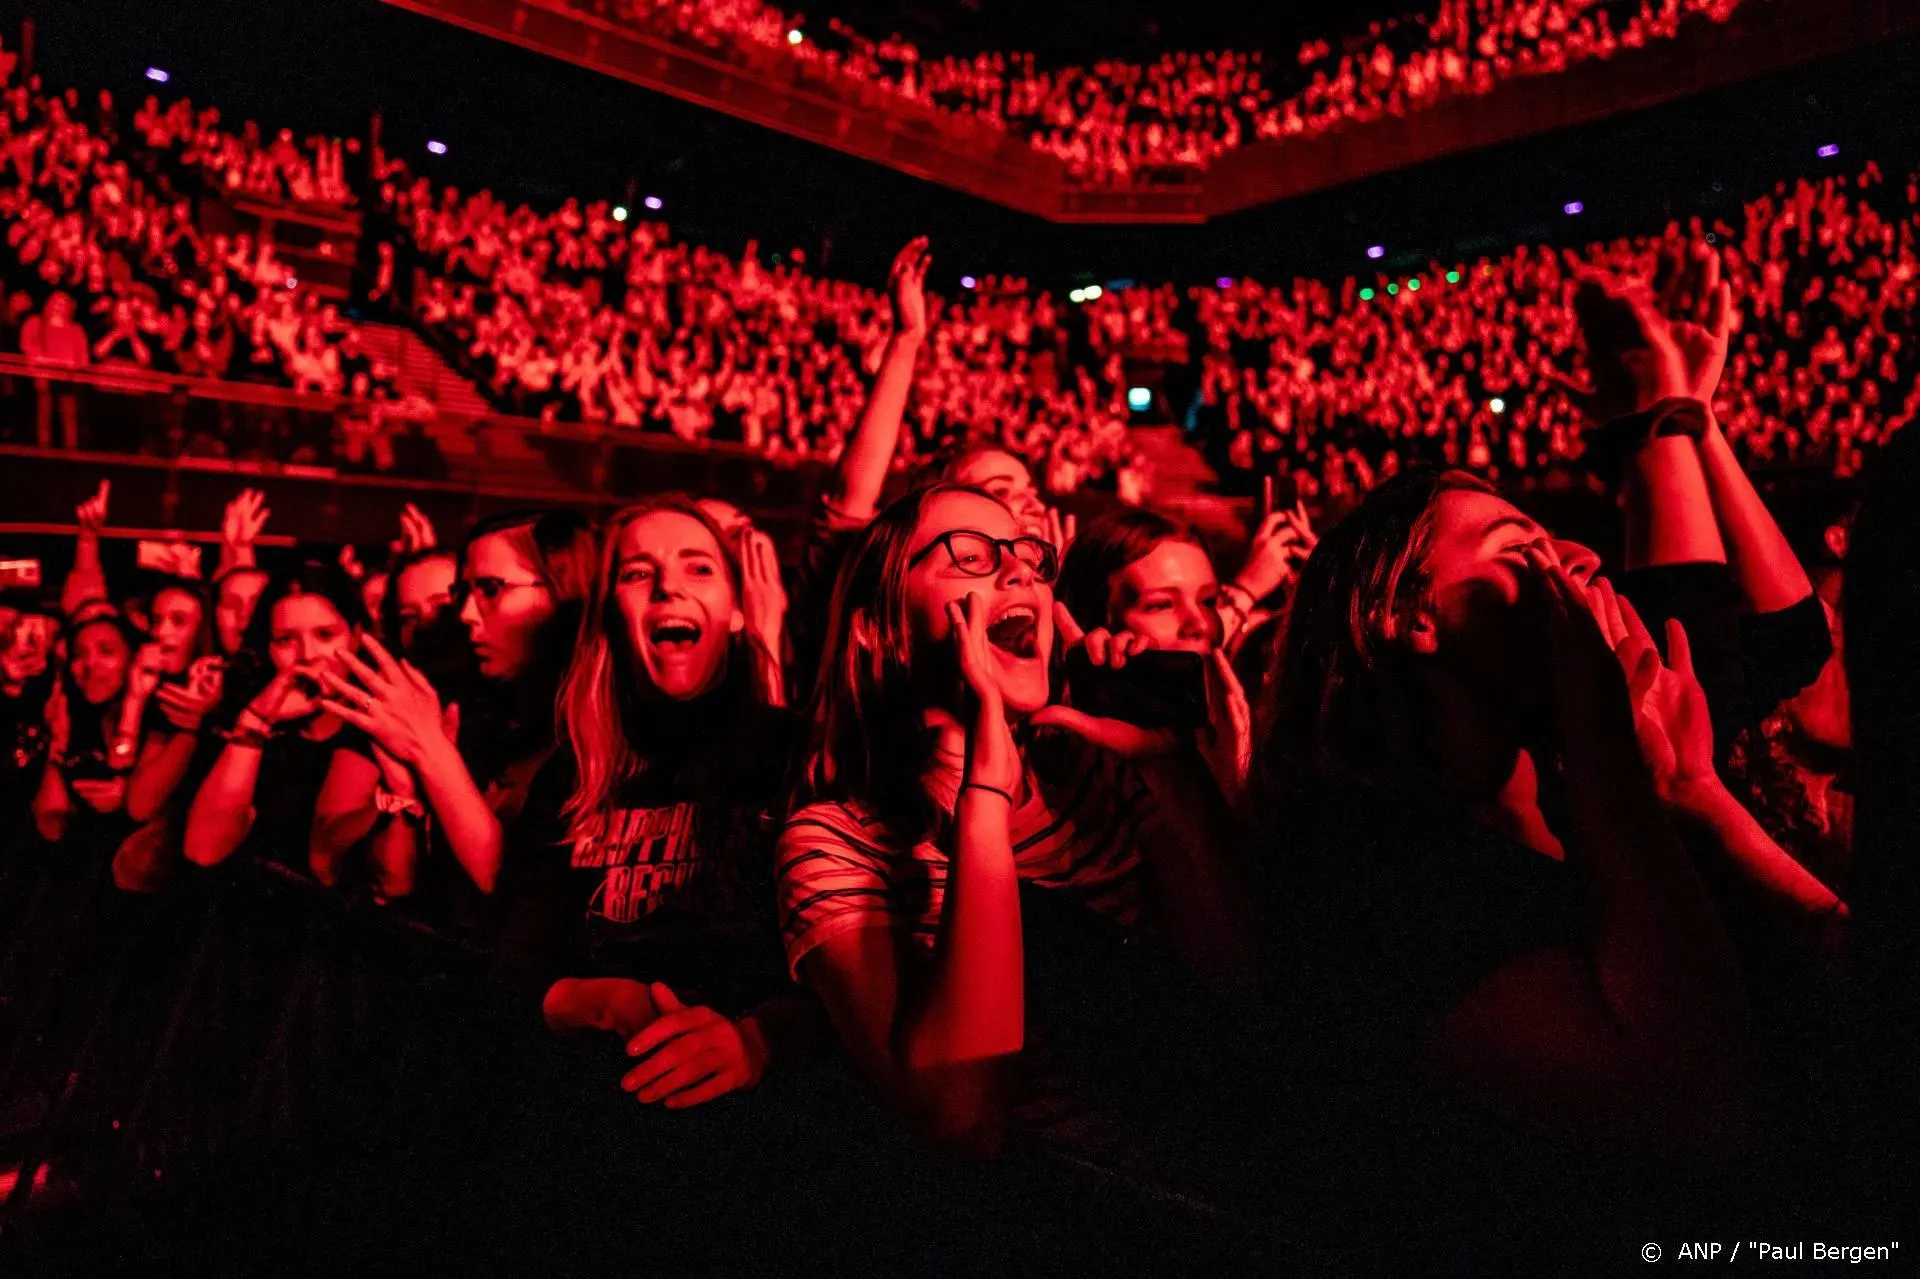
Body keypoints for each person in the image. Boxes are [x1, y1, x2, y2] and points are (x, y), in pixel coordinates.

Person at [1253, 468, 1841, 1258]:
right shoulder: (1373, 868)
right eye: (1523, 551)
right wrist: (1602, 740)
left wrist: (1693, 792)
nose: (1581, 560)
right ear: (1405, 611)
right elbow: (1697, 1107)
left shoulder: (1585, 820)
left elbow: (1863, 992)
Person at [777, 482, 1250, 1157]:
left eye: (1029, 556)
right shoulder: (836, 843)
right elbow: (961, 1118)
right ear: (881, 628)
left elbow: (1238, 986)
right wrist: (985, 798)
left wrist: (1172, 769)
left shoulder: (1096, 771)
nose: (1021, 568)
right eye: (970, 555)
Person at [497, 496, 816, 1107]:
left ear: (739, 612)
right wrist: (608, 1004)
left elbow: (862, 983)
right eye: (638, 572)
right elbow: (514, 975)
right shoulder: (570, 776)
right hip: (598, 1113)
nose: (668, 586)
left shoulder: (798, 754)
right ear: (611, 615)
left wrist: (758, 1040)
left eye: (699, 568)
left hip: (771, 1125)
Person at [182, 561, 371, 877]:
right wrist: (256, 722)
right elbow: (203, 849)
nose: (307, 654)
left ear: (356, 636)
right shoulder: (249, 722)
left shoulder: (376, 727)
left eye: (325, 635)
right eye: (286, 640)